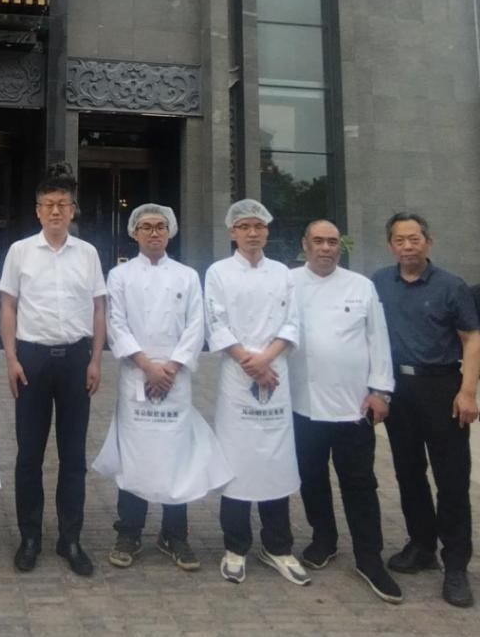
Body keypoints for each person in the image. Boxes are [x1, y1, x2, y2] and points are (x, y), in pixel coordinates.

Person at [93, 204, 232, 572]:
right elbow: (116, 324)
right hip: (136, 374)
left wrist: (170, 366)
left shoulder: (187, 276)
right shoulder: (119, 275)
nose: (153, 232)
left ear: (170, 232)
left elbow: (196, 325)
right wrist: (146, 365)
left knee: (176, 453)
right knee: (134, 453)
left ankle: (175, 534)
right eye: (146, 227)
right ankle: (129, 531)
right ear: (134, 233)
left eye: (160, 226)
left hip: (175, 376)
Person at [0, 164, 107, 577]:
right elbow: (8, 305)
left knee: (73, 455)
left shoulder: (88, 253)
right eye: (48, 204)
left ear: (73, 209)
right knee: (29, 453)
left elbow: (98, 307)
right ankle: (30, 537)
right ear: (38, 211)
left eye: (63, 204)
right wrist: (11, 358)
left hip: (76, 359)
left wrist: (96, 359)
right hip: (32, 359)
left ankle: (70, 538)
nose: (56, 211)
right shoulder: (20, 251)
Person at [289, 219, 401, 604]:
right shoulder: (287, 283)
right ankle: (324, 539)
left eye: (332, 242)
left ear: (341, 247)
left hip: (354, 406)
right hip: (303, 404)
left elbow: (378, 340)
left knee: (360, 483)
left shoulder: (361, 286)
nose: (326, 248)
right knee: (312, 479)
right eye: (318, 241)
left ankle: (369, 558)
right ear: (305, 245)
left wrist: (381, 391)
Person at [372, 211, 480, 608]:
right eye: (400, 240)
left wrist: (468, 391)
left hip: (442, 388)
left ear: (428, 242)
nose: (408, 246)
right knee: (409, 473)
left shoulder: (451, 286)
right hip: (399, 390)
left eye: (414, 239)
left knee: (451, 479)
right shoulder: (379, 283)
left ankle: (456, 566)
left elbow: (472, 339)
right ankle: (421, 546)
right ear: (391, 245)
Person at [204, 198, 309, 587]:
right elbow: (215, 322)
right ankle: (235, 547)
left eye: (258, 226)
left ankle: (278, 547)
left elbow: (292, 322)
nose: (252, 233)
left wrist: (266, 360)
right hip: (237, 375)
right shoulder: (218, 272)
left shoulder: (282, 273)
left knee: (275, 459)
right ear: (232, 232)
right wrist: (249, 361)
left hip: (274, 373)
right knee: (236, 459)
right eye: (244, 227)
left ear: (267, 231)